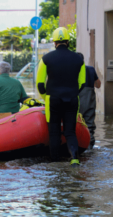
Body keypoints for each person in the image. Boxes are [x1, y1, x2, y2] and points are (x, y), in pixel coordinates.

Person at [36, 27, 86, 167]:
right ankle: (75, 159)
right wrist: (73, 92)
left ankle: (55, 161)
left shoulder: (46, 59)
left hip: (53, 99)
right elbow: (82, 83)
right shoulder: (78, 59)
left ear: (54, 42)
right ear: (68, 42)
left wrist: (47, 96)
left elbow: (40, 84)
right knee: (70, 131)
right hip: (72, 99)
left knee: (54, 132)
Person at [77, 52, 101, 149]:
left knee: (75, 124)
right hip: (89, 101)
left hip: (76, 101)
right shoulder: (91, 69)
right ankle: (89, 147)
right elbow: (98, 85)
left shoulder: (72, 70)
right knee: (89, 125)